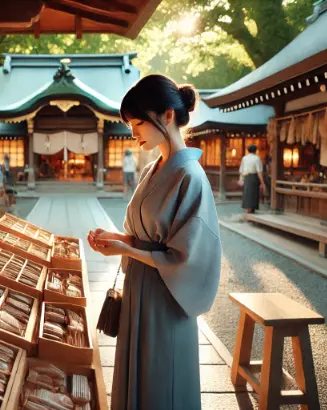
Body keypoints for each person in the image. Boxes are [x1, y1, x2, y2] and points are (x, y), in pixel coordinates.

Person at [87, 74, 222, 409]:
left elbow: (183, 256)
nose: (133, 133)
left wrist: (126, 249)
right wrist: (116, 239)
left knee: (163, 379)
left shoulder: (190, 176)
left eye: (137, 123)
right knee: (139, 374)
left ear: (167, 116)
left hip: (166, 296)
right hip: (140, 286)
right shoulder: (155, 168)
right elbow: (146, 236)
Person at [239, 144, 266, 213]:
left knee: (247, 194)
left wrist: (241, 179)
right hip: (254, 177)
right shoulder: (257, 158)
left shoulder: (244, 158)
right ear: (255, 150)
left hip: (246, 177)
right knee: (253, 195)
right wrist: (262, 183)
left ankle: (246, 211)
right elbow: (259, 171)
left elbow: (241, 170)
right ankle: (251, 212)